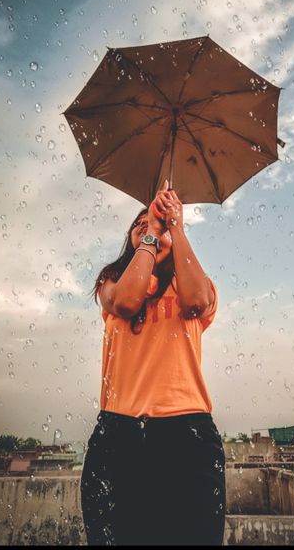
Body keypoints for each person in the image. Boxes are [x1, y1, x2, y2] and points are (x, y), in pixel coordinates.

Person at [80, 180, 226, 546]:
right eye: (139, 224)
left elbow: (195, 301)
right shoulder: (111, 283)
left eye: (154, 220)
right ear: (130, 237)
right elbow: (128, 303)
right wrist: (154, 232)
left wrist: (175, 224)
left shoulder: (191, 281)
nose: (148, 225)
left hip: (187, 434)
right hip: (119, 434)